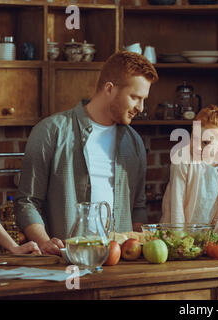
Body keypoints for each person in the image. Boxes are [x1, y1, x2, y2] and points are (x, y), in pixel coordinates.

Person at [15, 51, 159, 256]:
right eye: (135, 97)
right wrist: (44, 242)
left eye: (143, 99)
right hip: (65, 262)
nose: (141, 108)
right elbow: (27, 201)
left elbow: (138, 206)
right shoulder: (51, 131)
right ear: (109, 89)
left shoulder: (134, 142)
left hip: (120, 264)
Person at [160, 105, 218, 234]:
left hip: (207, 236)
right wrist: (181, 242)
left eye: (206, 143)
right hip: (175, 234)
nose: (198, 147)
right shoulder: (182, 158)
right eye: (195, 138)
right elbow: (177, 207)